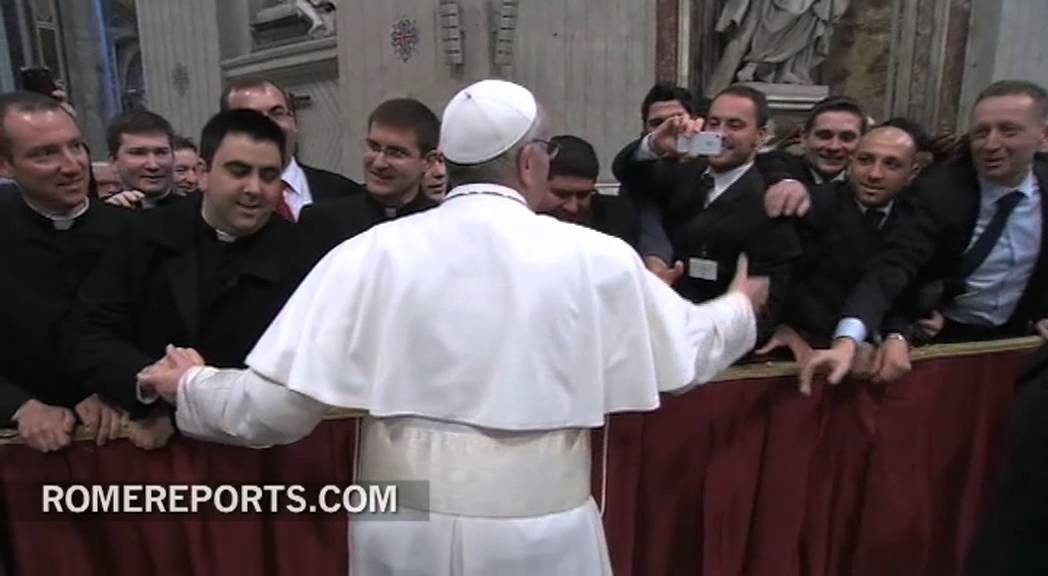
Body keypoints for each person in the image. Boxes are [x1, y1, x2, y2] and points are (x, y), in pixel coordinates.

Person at [137, 79, 768, 575]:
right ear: (530, 162)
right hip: (543, 537)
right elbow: (689, 351)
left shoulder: (370, 254)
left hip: (403, 533)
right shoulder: (595, 257)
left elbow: (272, 410)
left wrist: (190, 384)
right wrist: (740, 307)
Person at [63, 109, 311, 450]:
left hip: (259, 445)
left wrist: (198, 390)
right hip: (158, 449)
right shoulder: (144, 237)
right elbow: (87, 335)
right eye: (238, 171)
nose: (254, 188)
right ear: (204, 173)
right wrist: (151, 385)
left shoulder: (302, 253)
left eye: (268, 175)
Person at [802, 80, 1048, 390]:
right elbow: (892, 267)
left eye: (1008, 131)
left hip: (1022, 340)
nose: (990, 144)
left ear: (1043, 136)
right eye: (981, 132)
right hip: (941, 336)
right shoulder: (938, 192)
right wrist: (848, 340)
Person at [620, 85, 801, 346]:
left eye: (735, 125)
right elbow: (629, 172)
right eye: (714, 123)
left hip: (720, 344)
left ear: (759, 136)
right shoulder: (682, 174)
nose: (720, 134)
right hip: (664, 330)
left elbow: (764, 301)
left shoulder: (771, 200)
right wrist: (655, 144)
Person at [0, 91, 127, 451]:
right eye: (45, 154)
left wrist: (117, 386)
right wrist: (18, 406)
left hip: (118, 436)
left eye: (76, 147)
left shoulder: (134, 232)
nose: (72, 166)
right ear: (5, 165)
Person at [759, 125, 920, 365]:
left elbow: (893, 284)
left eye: (891, 164)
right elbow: (773, 283)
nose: (875, 174)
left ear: (912, 173)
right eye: (865, 160)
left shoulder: (917, 217)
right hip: (795, 348)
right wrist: (782, 328)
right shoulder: (809, 207)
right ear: (850, 162)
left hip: (864, 347)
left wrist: (895, 335)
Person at [298, 98, 440, 259]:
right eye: (374, 147)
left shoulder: (443, 224)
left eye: (395, 153)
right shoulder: (322, 222)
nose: (379, 163)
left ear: (428, 161)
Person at [220, 76, 364, 220]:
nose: (270, 125)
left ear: (294, 121)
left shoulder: (347, 194)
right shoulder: (215, 202)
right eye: (252, 117)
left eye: (277, 113)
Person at [536, 134, 639, 246]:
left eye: (583, 195)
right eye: (561, 194)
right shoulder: (522, 223)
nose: (573, 207)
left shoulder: (619, 217)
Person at [104, 110, 183, 210]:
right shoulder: (98, 215)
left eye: (161, 152)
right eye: (138, 153)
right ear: (114, 162)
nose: (153, 165)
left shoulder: (197, 212)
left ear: (174, 157)